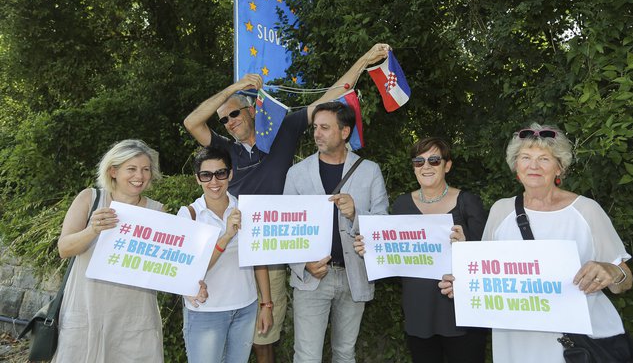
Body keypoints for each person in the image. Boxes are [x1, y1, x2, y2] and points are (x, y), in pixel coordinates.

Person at [183, 43, 390, 363]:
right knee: (227, 330)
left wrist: (363, 60)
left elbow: (332, 97)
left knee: (266, 333)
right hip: (232, 250)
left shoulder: (282, 133)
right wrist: (234, 88)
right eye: (224, 120)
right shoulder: (226, 153)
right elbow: (192, 123)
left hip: (272, 252)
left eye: (234, 113)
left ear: (251, 110)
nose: (229, 123)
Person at [439, 123, 633, 363]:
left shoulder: (586, 210)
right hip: (516, 342)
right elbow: (488, 277)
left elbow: (624, 281)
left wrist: (612, 271)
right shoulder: (501, 210)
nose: (533, 166)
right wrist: (462, 286)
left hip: (581, 344)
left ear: (559, 168)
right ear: (516, 166)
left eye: (544, 158)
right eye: (525, 157)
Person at [354, 137, 488, 362]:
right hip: (419, 310)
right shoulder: (402, 205)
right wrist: (372, 250)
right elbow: (394, 255)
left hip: (461, 312)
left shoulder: (468, 202)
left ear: (447, 165)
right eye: (419, 161)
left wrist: (467, 247)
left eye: (434, 160)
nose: (426, 166)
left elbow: (487, 259)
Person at [53, 139, 188, 362]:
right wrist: (93, 230)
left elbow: (167, 265)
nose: (140, 176)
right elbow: (64, 248)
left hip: (135, 316)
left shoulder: (157, 211)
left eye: (146, 169)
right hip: (87, 310)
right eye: (132, 169)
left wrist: (188, 281)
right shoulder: (90, 199)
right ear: (113, 171)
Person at [284, 101, 389, 363]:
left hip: (355, 275)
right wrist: (303, 264)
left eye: (325, 128)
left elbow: (382, 224)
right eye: (315, 127)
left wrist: (356, 214)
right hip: (312, 277)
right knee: (307, 357)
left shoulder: (370, 171)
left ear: (345, 132)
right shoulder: (297, 173)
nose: (317, 133)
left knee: (345, 353)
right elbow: (285, 230)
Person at [177, 146, 272, 363]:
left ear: (230, 174)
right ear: (197, 179)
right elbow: (190, 268)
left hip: (245, 307)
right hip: (204, 311)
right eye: (206, 175)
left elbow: (259, 260)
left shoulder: (246, 210)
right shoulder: (189, 215)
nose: (214, 181)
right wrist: (227, 235)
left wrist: (266, 305)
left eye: (220, 173)